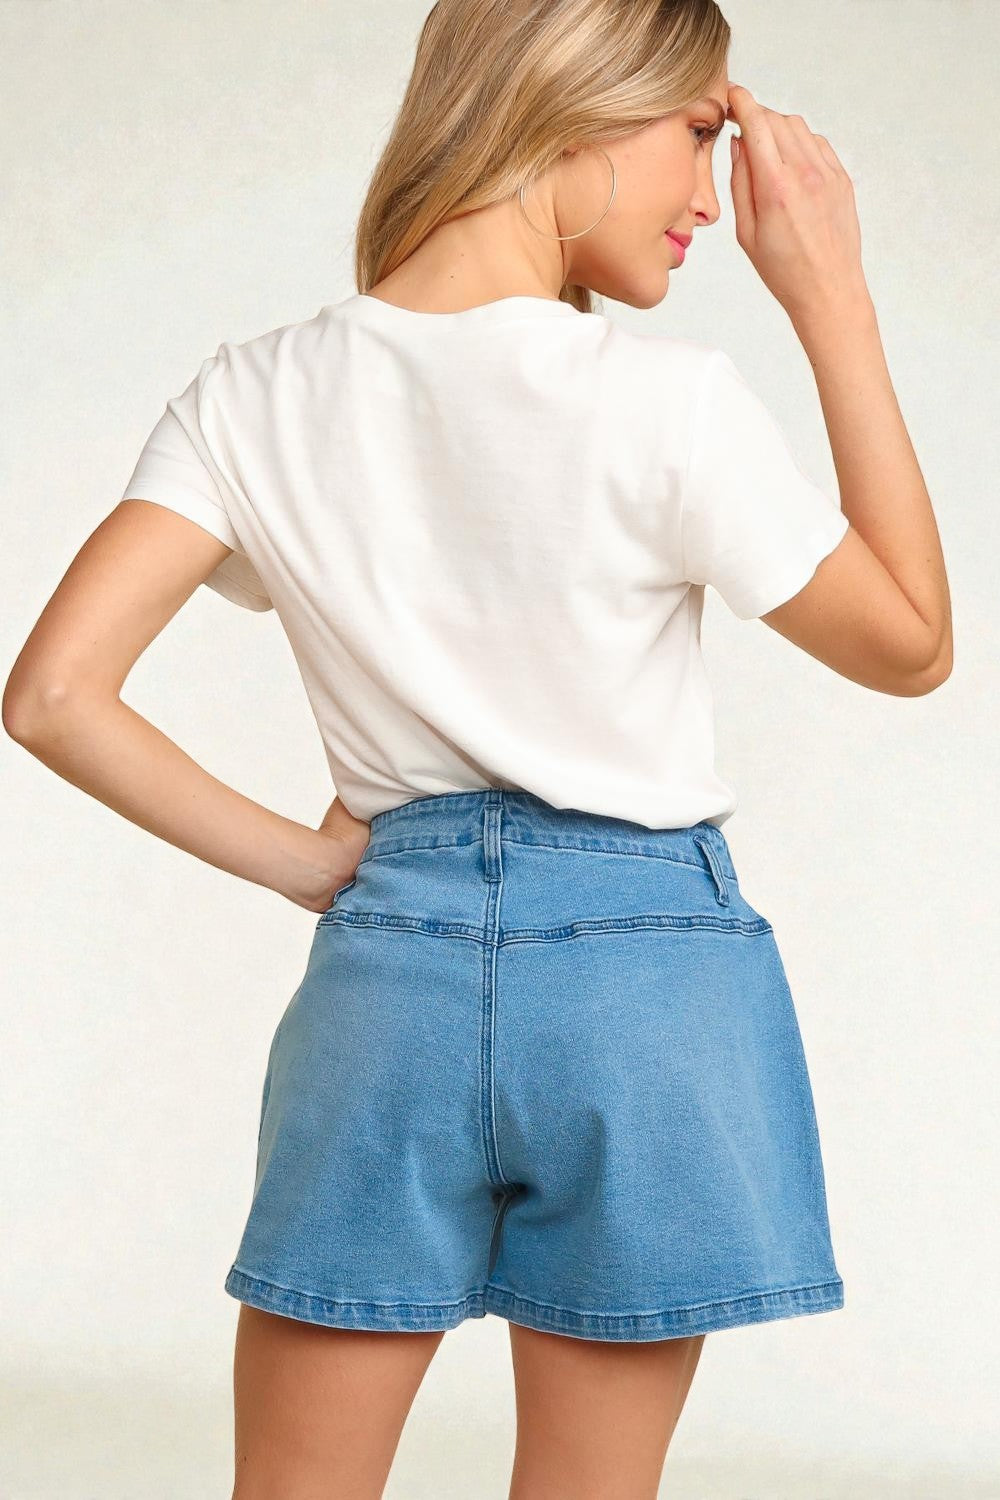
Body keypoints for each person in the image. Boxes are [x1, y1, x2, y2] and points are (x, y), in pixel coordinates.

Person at [3, 0, 952, 1493]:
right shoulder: (670, 405)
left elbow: (54, 695)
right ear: (578, 108)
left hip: (394, 984)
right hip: (650, 987)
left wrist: (316, 865)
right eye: (700, 136)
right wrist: (831, 295)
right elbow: (913, 646)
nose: (717, 195)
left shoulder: (253, 392)